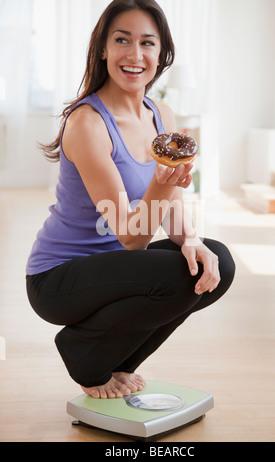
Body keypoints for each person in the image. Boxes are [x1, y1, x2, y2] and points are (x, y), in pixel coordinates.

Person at [26, 0, 235, 400]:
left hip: (119, 270)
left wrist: (190, 238)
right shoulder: (87, 123)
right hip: (60, 278)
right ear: (103, 48)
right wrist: (161, 182)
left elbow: (169, 204)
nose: (135, 55)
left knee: (215, 261)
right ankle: (82, 352)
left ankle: (120, 362)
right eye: (122, 40)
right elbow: (132, 238)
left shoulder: (162, 115)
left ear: (161, 54)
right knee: (178, 274)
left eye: (147, 43)